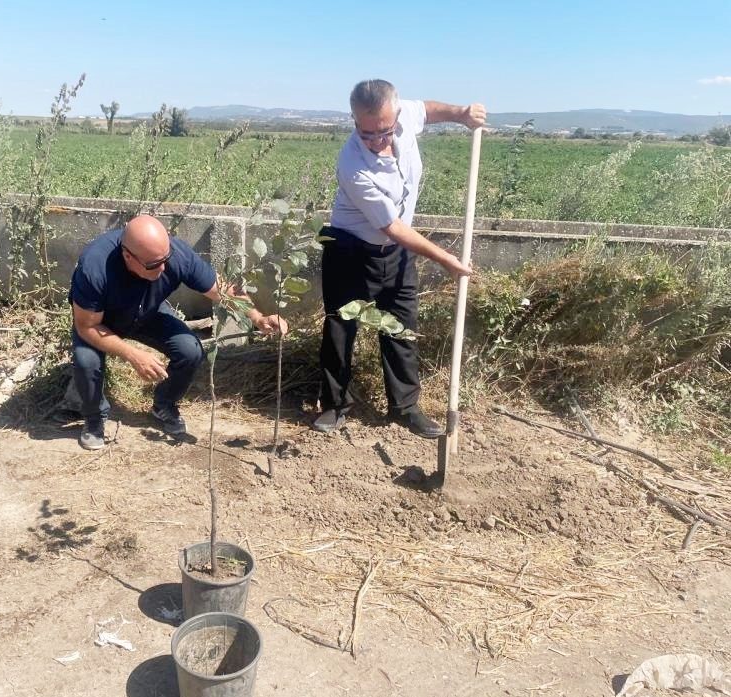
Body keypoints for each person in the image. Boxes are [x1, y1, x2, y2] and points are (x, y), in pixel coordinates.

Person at [313, 79, 486, 438]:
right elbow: (391, 226)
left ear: (395, 115)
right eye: (367, 133)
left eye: (385, 131)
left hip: (397, 252)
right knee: (341, 328)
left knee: (402, 327)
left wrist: (461, 113)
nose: (378, 140)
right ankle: (334, 404)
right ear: (355, 121)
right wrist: (445, 259)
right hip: (350, 249)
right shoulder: (352, 164)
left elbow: (428, 110)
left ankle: (405, 408)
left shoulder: (404, 114)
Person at [68, 214, 288, 450]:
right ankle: (94, 418)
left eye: (166, 259)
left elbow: (222, 291)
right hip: (100, 322)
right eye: (153, 264)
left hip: (147, 312)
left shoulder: (176, 255)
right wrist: (133, 354)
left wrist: (258, 317)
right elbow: (87, 326)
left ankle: (164, 404)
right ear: (128, 256)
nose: (163, 268)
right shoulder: (95, 267)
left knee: (190, 350)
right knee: (87, 361)